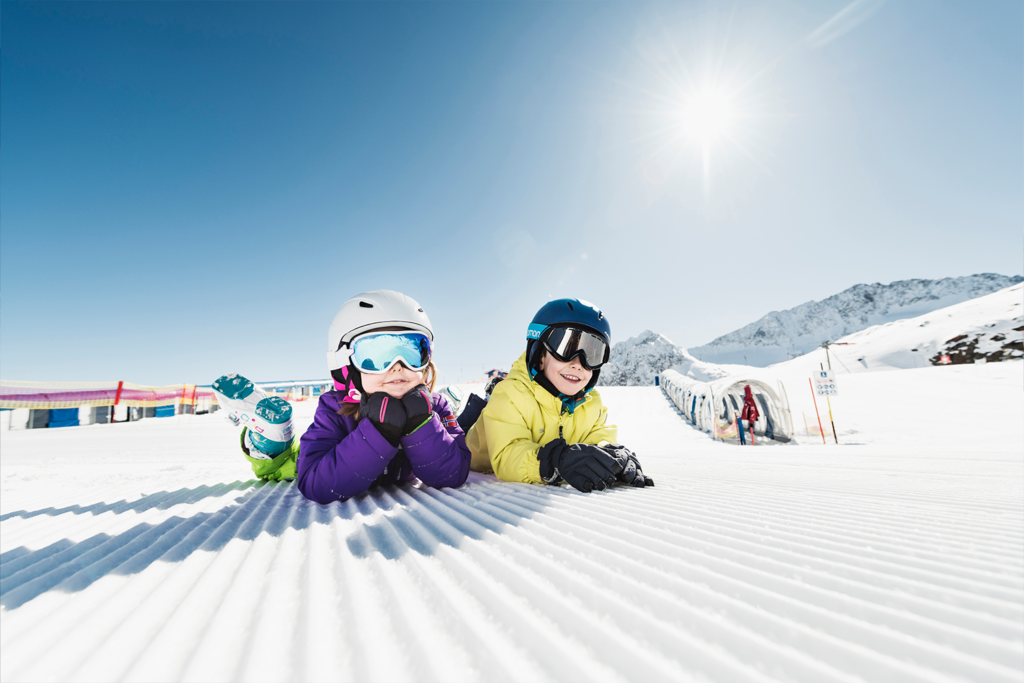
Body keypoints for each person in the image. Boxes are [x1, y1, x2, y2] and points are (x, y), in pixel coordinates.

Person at [212, 290, 471, 504]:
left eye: (413, 352)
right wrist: (378, 433)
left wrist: (422, 424)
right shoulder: (336, 408)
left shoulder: (435, 408)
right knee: (288, 466)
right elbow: (315, 483)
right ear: (345, 366)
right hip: (321, 458)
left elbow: (454, 473)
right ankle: (272, 437)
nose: (398, 366)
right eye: (376, 356)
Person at [465, 298, 653, 493]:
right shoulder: (510, 394)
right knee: (461, 432)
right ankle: (478, 403)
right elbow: (507, 455)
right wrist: (555, 461)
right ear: (540, 355)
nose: (578, 363)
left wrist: (610, 456)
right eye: (566, 348)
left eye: (592, 354)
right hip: (471, 449)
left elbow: (599, 438)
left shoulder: (591, 404)